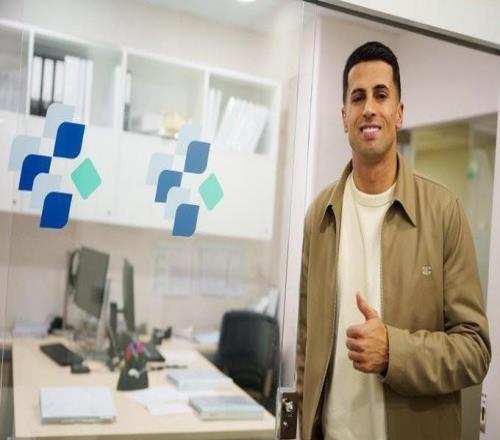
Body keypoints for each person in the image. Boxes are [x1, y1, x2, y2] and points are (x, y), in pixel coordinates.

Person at [296, 41, 491, 440]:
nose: (369, 108)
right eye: (358, 97)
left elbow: (475, 351)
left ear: (399, 112)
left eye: (381, 95)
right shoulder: (320, 215)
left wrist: (394, 352)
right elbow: (305, 343)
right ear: (344, 116)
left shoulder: (443, 211)